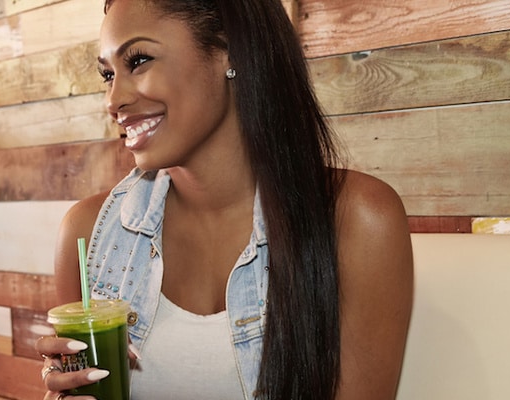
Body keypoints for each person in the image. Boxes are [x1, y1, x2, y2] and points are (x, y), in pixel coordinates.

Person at [35, 0, 414, 399]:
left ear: (229, 50)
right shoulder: (89, 233)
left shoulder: (357, 220)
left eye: (139, 60)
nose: (114, 100)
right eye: (108, 75)